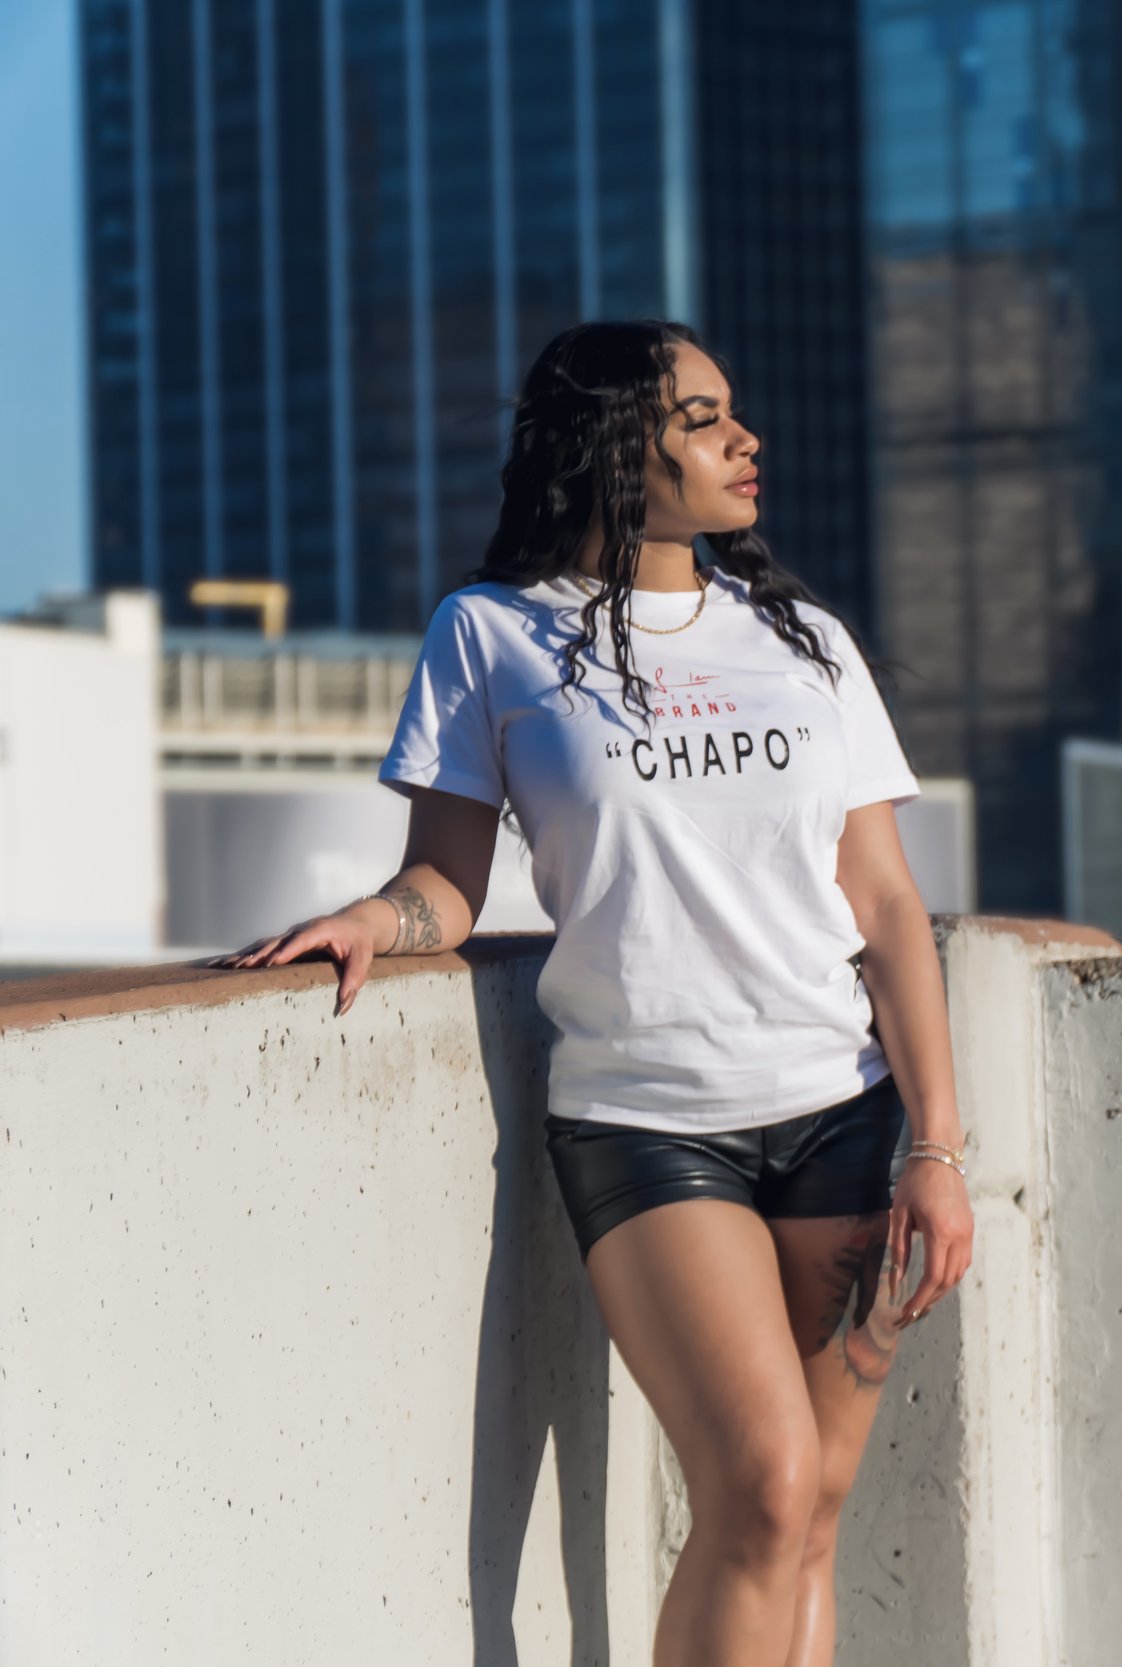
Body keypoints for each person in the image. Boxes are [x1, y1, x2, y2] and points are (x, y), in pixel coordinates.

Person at [208, 319, 973, 1667]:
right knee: (764, 1485)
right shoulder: (492, 635)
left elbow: (889, 907)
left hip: (844, 1118)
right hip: (648, 1124)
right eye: (702, 418)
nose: (746, 441)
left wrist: (938, 1146)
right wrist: (373, 921)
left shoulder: (803, 640)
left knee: (813, 1513)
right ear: (616, 447)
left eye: (735, 413)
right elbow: (447, 881)